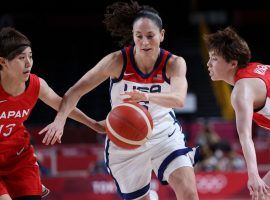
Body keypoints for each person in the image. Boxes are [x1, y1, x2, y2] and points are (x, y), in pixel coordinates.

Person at [39, 1, 199, 199]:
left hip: (163, 133)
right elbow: (74, 92)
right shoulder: (116, 61)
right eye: (138, 36)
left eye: (150, 36)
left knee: (189, 193)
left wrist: (146, 96)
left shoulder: (174, 63)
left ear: (162, 35)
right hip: (125, 141)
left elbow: (178, 99)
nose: (145, 42)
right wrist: (60, 120)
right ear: (132, 36)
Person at [0, 27, 105, 200]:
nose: (28, 63)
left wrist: (94, 124)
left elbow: (62, 104)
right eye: (21, 58)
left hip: (19, 159)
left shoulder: (36, 85)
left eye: (30, 56)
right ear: (3, 62)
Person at [204, 26, 270, 200]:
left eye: (214, 59)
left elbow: (245, 136)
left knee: (262, 194)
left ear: (233, 63)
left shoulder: (241, 91)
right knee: (263, 195)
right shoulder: (256, 69)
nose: (208, 64)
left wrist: (253, 174)